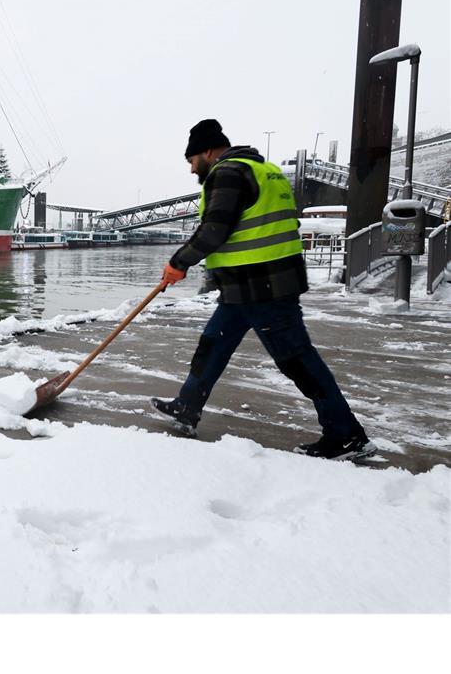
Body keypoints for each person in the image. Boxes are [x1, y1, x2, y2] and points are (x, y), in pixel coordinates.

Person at [153, 119, 374, 461]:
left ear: (209, 151)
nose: (190, 167)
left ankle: (346, 436)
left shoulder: (227, 173)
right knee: (213, 345)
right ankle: (187, 407)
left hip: (263, 287)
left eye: (192, 159)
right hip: (249, 286)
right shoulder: (265, 170)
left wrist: (179, 262)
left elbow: (215, 229)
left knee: (297, 360)